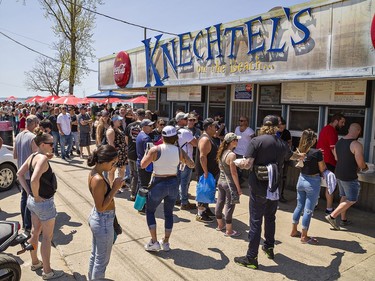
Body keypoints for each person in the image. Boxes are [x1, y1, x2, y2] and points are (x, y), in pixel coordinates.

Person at [234, 115, 303, 269]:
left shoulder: (256, 141)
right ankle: (269, 247)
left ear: (263, 126)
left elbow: (247, 163)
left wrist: (237, 163)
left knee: (255, 221)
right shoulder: (282, 143)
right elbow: (292, 156)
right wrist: (302, 155)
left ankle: (251, 258)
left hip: (258, 187)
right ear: (277, 127)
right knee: (270, 218)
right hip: (274, 188)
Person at [17, 128, 64, 280]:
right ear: (42, 144)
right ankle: (48, 271)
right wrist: (36, 195)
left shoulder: (33, 156)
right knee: (47, 238)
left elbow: (19, 174)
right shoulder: (42, 159)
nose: (53, 145)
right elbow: (35, 178)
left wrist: (29, 192)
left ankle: (35, 262)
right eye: (50, 143)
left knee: (34, 232)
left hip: (33, 202)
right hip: (43, 203)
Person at [140, 125, 195, 251]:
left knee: (150, 211)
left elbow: (143, 165)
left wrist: (147, 154)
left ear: (162, 137)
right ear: (175, 137)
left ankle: (154, 241)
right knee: (168, 213)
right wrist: (182, 161)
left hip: (158, 182)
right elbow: (191, 164)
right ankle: (165, 242)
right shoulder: (179, 150)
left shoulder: (155, 150)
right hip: (173, 182)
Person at [87, 145, 123, 280]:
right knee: (101, 261)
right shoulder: (98, 179)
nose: (113, 166)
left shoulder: (96, 173)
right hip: (102, 221)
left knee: (96, 255)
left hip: (100, 220)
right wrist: (114, 188)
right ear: (104, 161)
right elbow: (101, 207)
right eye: (112, 163)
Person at [325, 123, 367, 230]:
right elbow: (361, 164)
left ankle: (343, 220)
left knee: (344, 196)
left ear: (349, 129)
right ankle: (332, 216)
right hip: (349, 176)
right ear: (358, 131)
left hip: (338, 173)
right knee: (352, 199)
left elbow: (337, 158)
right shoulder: (356, 144)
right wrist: (365, 167)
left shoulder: (339, 142)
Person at [290, 129, 327, 244]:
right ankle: (304, 236)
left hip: (301, 179)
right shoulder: (317, 153)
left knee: (299, 206)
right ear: (313, 139)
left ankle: (294, 231)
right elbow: (322, 168)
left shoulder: (299, 151)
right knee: (308, 210)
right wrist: (321, 158)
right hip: (313, 182)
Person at [14, 115, 39, 233]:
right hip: (29, 174)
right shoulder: (33, 137)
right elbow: (36, 156)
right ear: (34, 123)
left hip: (20, 172)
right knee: (30, 199)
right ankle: (28, 227)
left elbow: (15, 155)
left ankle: (25, 224)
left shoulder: (18, 135)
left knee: (24, 198)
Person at [316, 113, 345, 214]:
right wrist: (339, 160)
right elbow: (333, 148)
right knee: (330, 185)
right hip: (328, 162)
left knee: (318, 183)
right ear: (336, 121)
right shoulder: (331, 130)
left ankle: (314, 204)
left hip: (320, 160)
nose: (343, 124)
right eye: (342, 122)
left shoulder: (325, 128)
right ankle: (329, 208)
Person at [215, 133, 243, 237]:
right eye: (236, 140)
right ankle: (229, 230)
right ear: (232, 142)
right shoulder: (232, 155)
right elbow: (234, 173)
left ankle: (220, 224)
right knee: (230, 206)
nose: (237, 142)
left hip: (221, 181)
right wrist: (238, 188)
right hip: (229, 184)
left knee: (220, 201)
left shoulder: (222, 152)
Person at [196, 118, 220, 223]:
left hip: (210, 172)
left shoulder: (209, 138)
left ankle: (206, 209)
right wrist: (205, 172)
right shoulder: (205, 139)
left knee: (208, 192)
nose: (216, 128)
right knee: (203, 192)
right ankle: (200, 214)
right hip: (205, 173)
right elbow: (202, 157)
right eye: (215, 126)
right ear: (209, 127)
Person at [175, 112, 198, 210]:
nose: (187, 120)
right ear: (180, 120)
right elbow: (195, 143)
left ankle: (177, 198)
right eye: (185, 119)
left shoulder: (174, 130)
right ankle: (184, 202)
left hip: (176, 158)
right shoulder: (185, 132)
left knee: (177, 180)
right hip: (185, 159)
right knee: (184, 182)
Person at [125, 108, 145, 201]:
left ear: (136, 115)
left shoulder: (130, 125)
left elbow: (126, 139)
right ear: (144, 116)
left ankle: (132, 193)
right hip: (139, 154)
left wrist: (130, 146)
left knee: (133, 174)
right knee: (138, 176)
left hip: (130, 152)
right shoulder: (144, 126)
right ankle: (135, 194)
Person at [106, 115, 127, 189]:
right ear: (114, 121)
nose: (120, 122)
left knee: (122, 169)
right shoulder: (111, 131)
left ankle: (120, 184)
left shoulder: (118, 129)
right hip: (116, 154)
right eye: (119, 120)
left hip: (122, 153)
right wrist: (115, 156)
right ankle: (111, 186)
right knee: (112, 170)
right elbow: (111, 144)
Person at [234, 116, 255, 184]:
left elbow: (254, 141)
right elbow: (235, 138)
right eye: (240, 120)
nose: (240, 122)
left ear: (246, 122)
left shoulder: (250, 131)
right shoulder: (237, 129)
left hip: (244, 153)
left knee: (241, 169)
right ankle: (236, 182)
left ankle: (239, 183)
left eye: (242, 121)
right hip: (236, 151)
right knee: (235, 168)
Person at [276, 116, 292, 203]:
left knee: (283, 177)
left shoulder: (286, 132)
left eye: (283, 127)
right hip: (275, 158)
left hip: (284, 157)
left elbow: (289, 142)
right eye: (280, 127)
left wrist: (288, 145)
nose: (281, 129)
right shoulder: (274, 133)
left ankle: (280, 195)